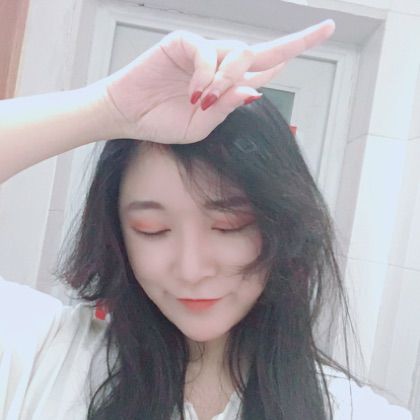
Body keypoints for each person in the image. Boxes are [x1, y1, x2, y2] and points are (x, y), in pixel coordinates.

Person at [0, 20, 412, 420]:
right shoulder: (41, 353)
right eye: (152, 231)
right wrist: (108, 108)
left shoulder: (354, 411)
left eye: (230, 225)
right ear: (118, 236)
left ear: (282, 226)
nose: (191, 269)